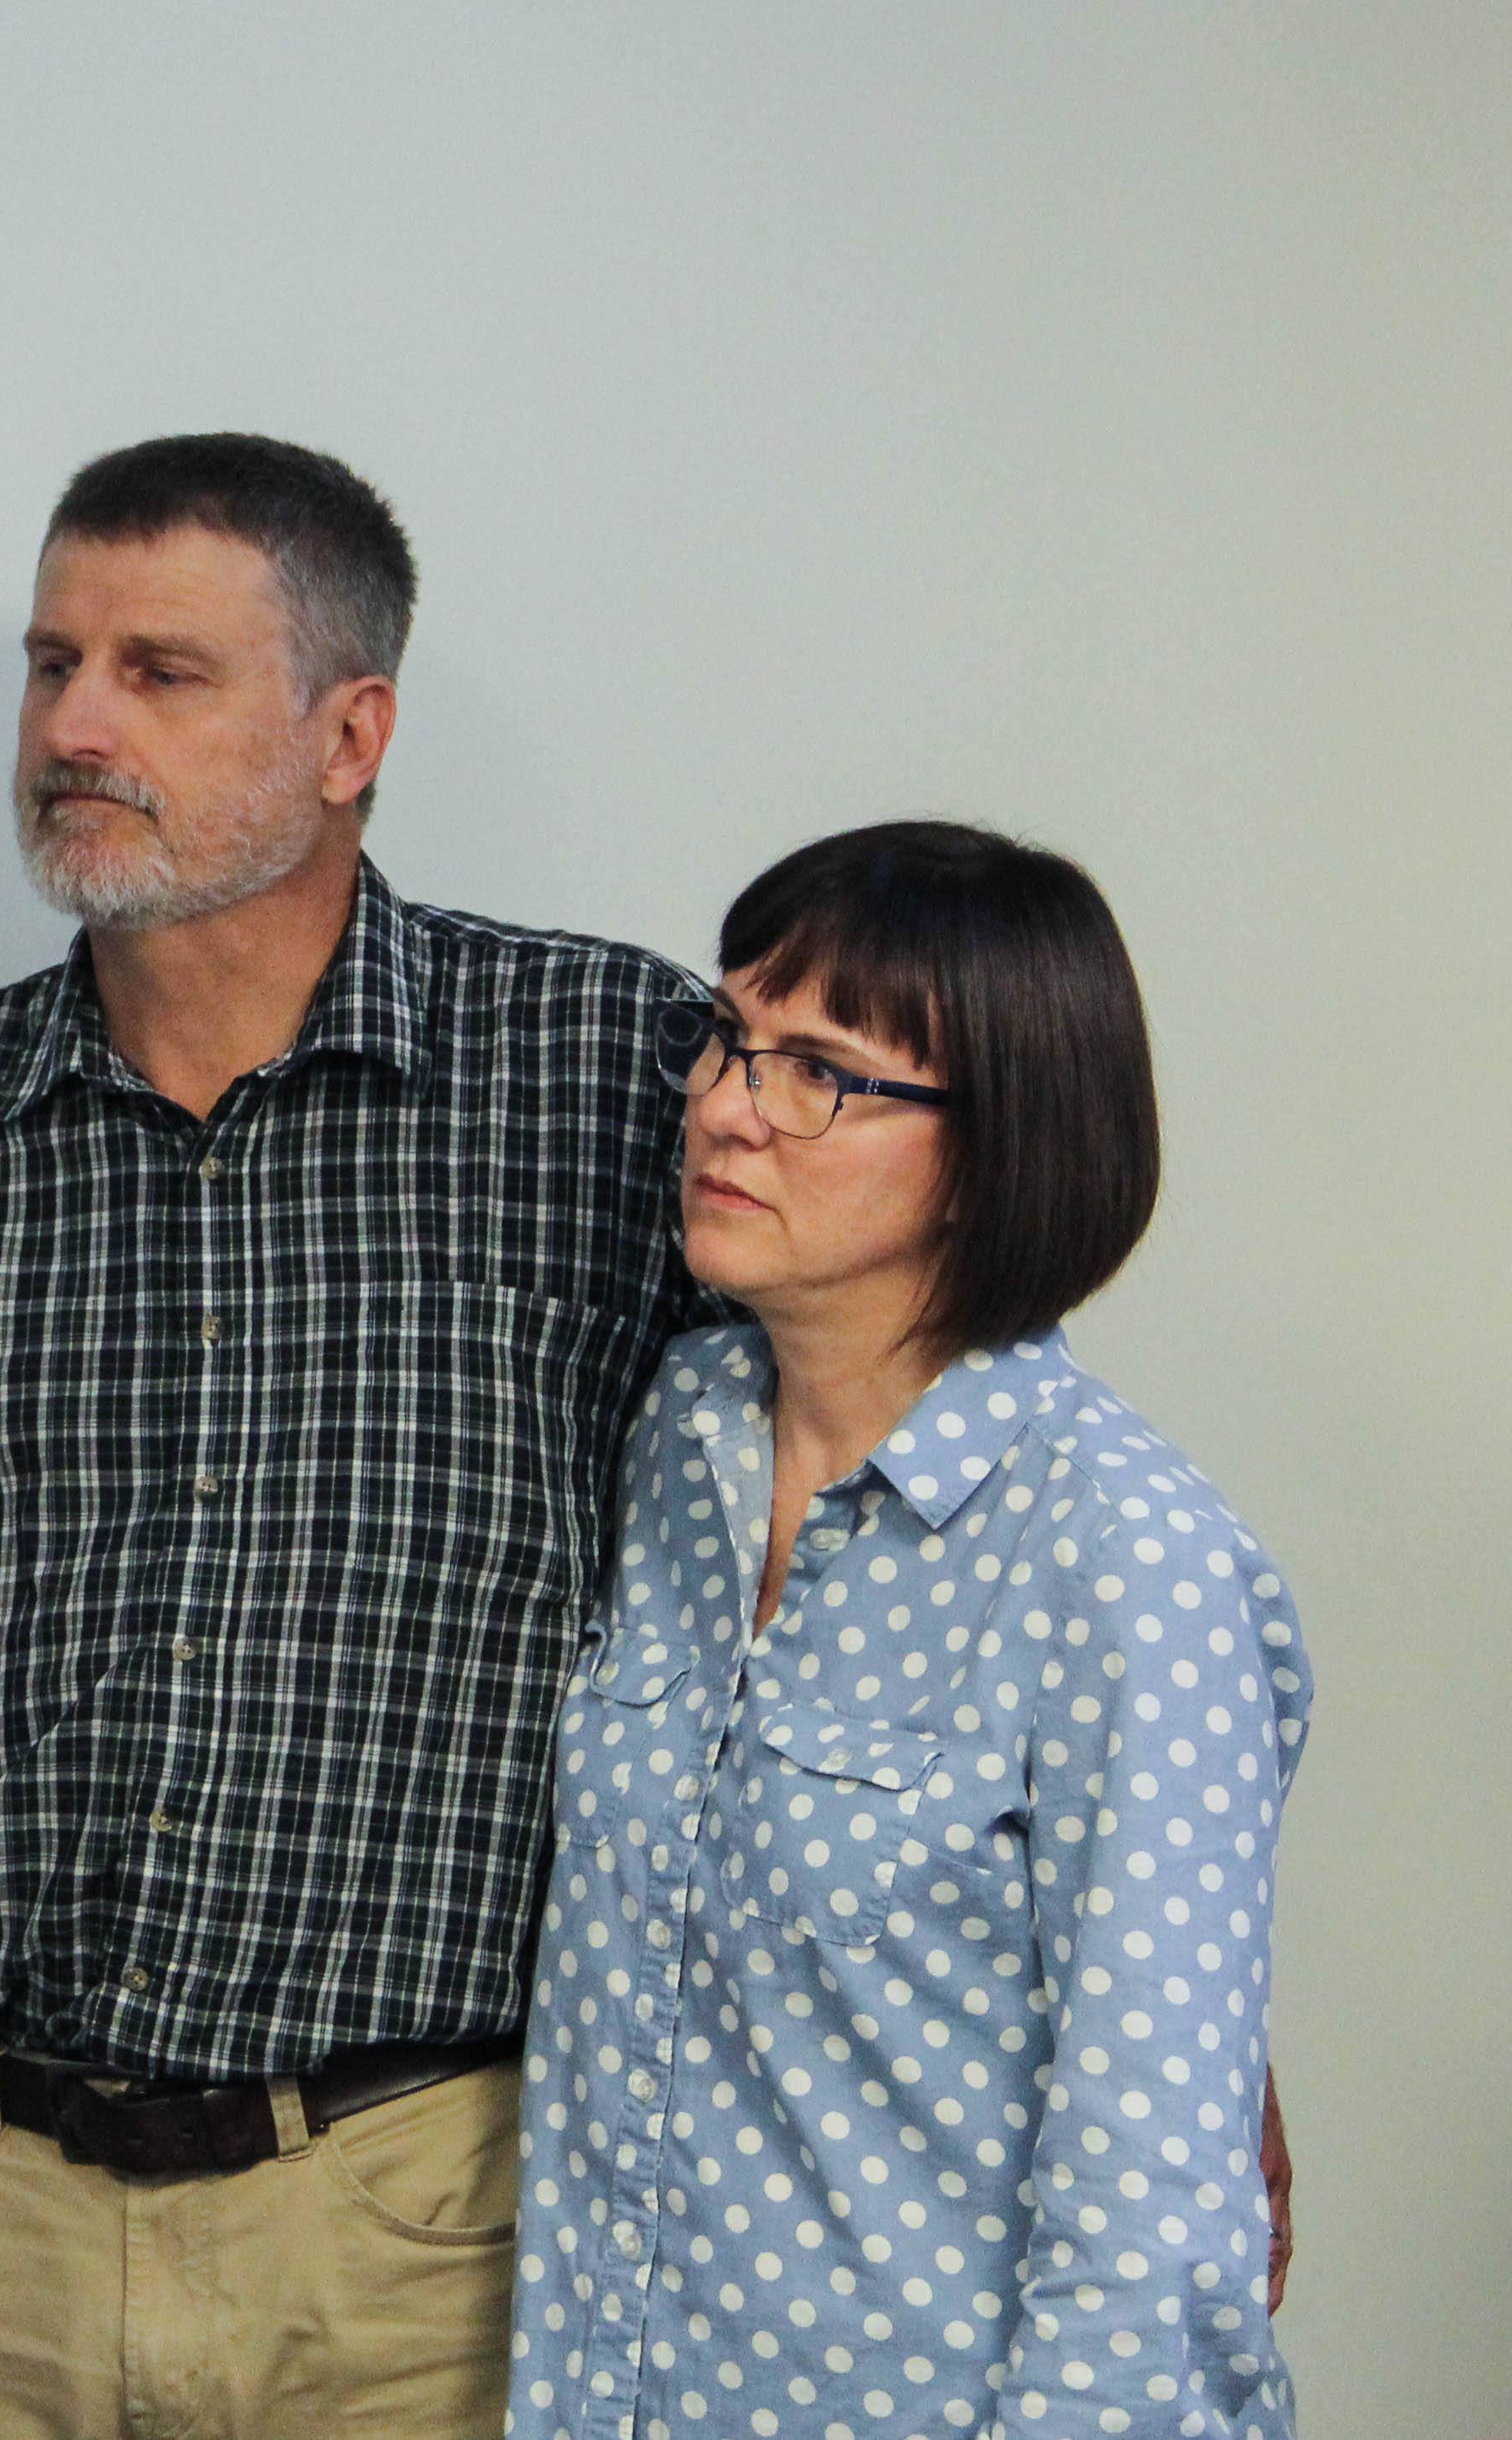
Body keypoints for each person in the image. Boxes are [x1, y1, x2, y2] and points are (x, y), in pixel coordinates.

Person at [0, 433, 714, 2440]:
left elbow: (881, 1540)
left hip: (436, 2249)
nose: (72, 723)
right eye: (52, 664)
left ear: (350, 733)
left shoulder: (614, 1083)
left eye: (159, 672)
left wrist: (1136, 2022)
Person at [511, 825, 1303, 2437]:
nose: (730, 1103)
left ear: (1000, 1144)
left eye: (823, 1072)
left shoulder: (1128, 1562)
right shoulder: (683, 1438)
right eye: (734, 1040)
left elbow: (1151, 2237)